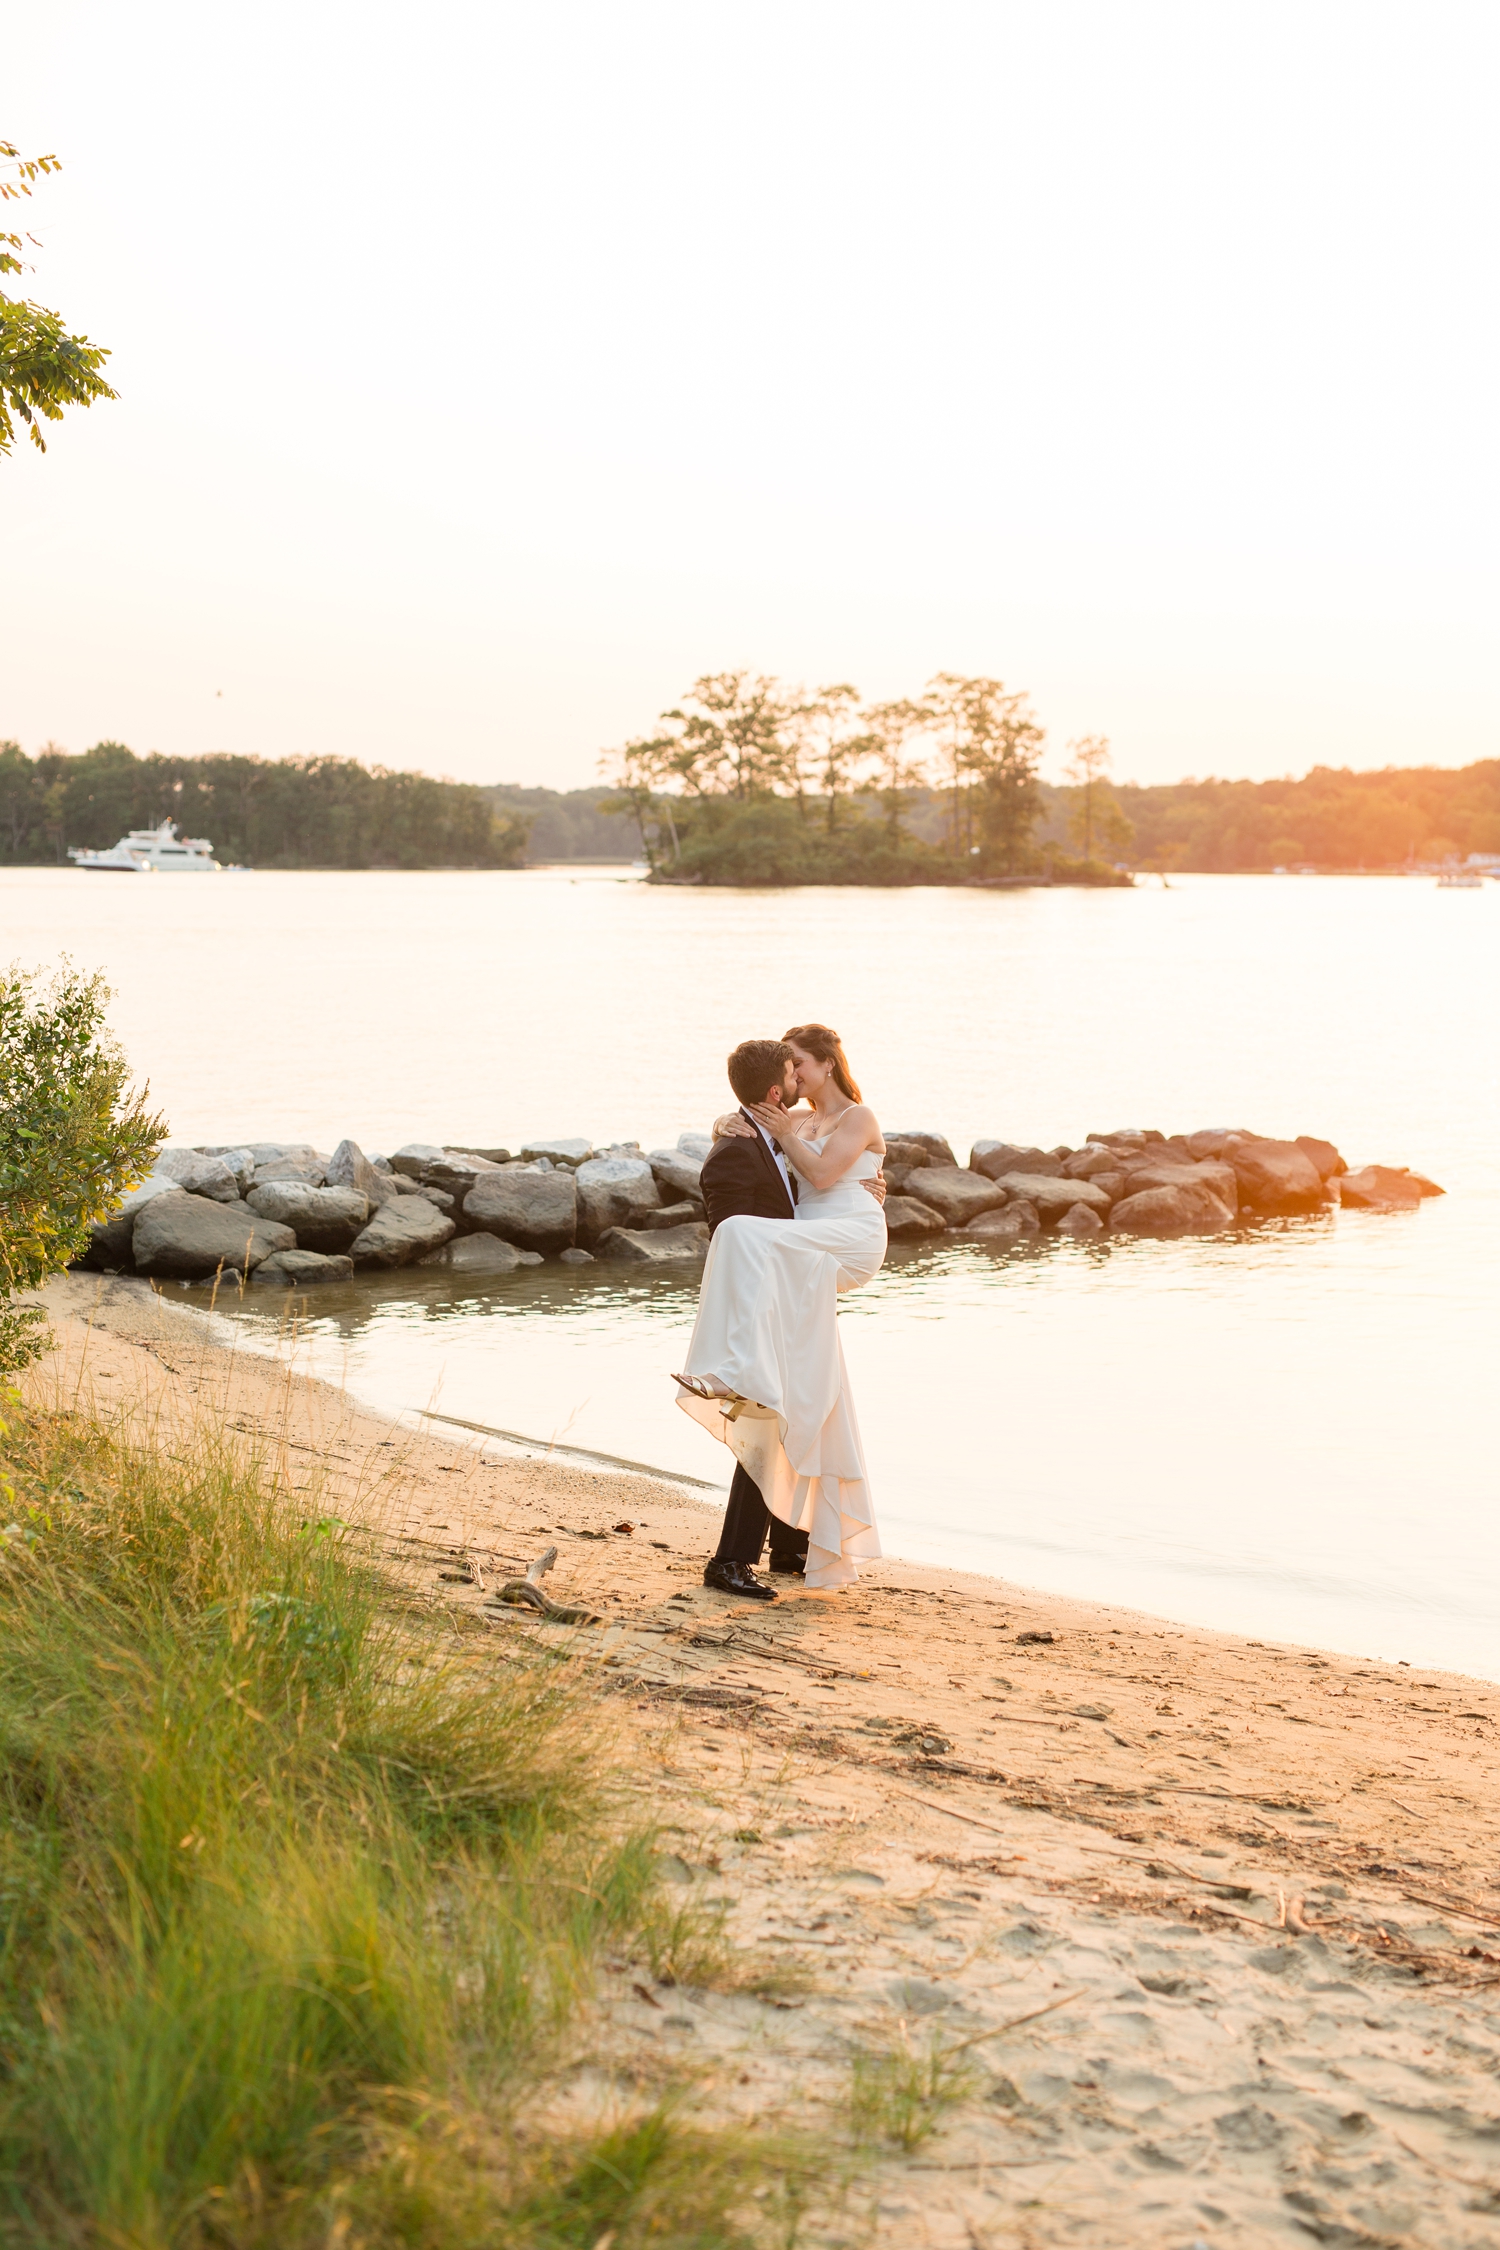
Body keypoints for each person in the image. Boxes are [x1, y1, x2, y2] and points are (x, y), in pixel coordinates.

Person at [674, 1024, 887, 1595]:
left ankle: (764, 1549)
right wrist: (736, 1121)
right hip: (792, 1279)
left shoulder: (818, 1122)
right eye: (786, 1068)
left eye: (798, 1063)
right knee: (801, 1404)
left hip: (820, 1257)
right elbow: (746, 1155)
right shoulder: (771, 1128)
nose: (793, 1075)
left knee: (779, 1404)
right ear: (777, 1090)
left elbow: (818, 1173)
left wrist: (860, 1178)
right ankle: (787, 1548)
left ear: (826, 1064)